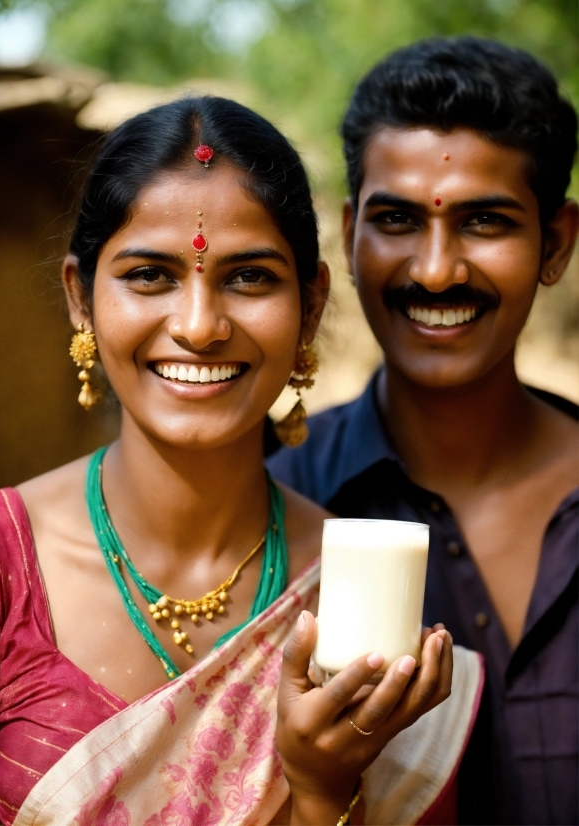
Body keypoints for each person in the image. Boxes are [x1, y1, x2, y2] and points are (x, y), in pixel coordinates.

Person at [0, 95, 481, 826]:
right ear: (80, 298)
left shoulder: (366, 600)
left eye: (248, 278)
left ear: (310, 307)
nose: (198, 326)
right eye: (150, 275)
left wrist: (322, 791)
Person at [268, 37, 579, 826]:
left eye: (484, 221)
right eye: (398, 219)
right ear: (349, 235)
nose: (436, 270)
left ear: (556, 242)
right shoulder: (270, 501)